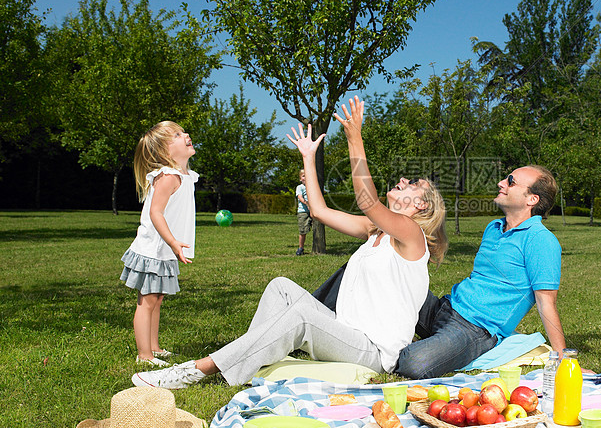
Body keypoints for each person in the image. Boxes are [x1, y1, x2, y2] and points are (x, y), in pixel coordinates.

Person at [132, 96, 448, 389]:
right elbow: (319, 211)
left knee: (300, 316)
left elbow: (368, 201)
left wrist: (355, 137)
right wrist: (308, 158)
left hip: (373, 352)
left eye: (414, 184)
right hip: (343, 330)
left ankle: (195, 371)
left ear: (422, 206)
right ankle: (249, 358)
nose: (404, 180)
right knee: (281, 286)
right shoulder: (375, 231)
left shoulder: (411, 235)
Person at [395, 165, 565, 380]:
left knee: (413, 362)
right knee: (384, 282)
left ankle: (427, 346)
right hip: (445, 307)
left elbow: (546, 302)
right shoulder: (493, 227)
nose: (501, 183)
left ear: (532, 199)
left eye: (510, 181)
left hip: (474, 330)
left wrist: (562, 358)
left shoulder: (540, 240)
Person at [120, 121, 198, 367]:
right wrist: (173, 241)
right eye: (177, 134)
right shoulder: (168, 177)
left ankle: (154, 347)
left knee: (157, 298)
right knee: (147, 301)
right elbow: (156, 213)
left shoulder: (185, 176)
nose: (185, 134)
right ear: (165, 152)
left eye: (182, 131)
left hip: (164, 250)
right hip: (153, 249)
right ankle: (144, 355)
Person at [295, 169, 311, 255]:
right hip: (303, 212)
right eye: (303, 176)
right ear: (300, 178)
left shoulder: (312, 187)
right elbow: (300, 198)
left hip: (313, 211)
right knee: (303, 231)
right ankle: (301, 248)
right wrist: (307, 203)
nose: (305, 178)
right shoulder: (300, 187)